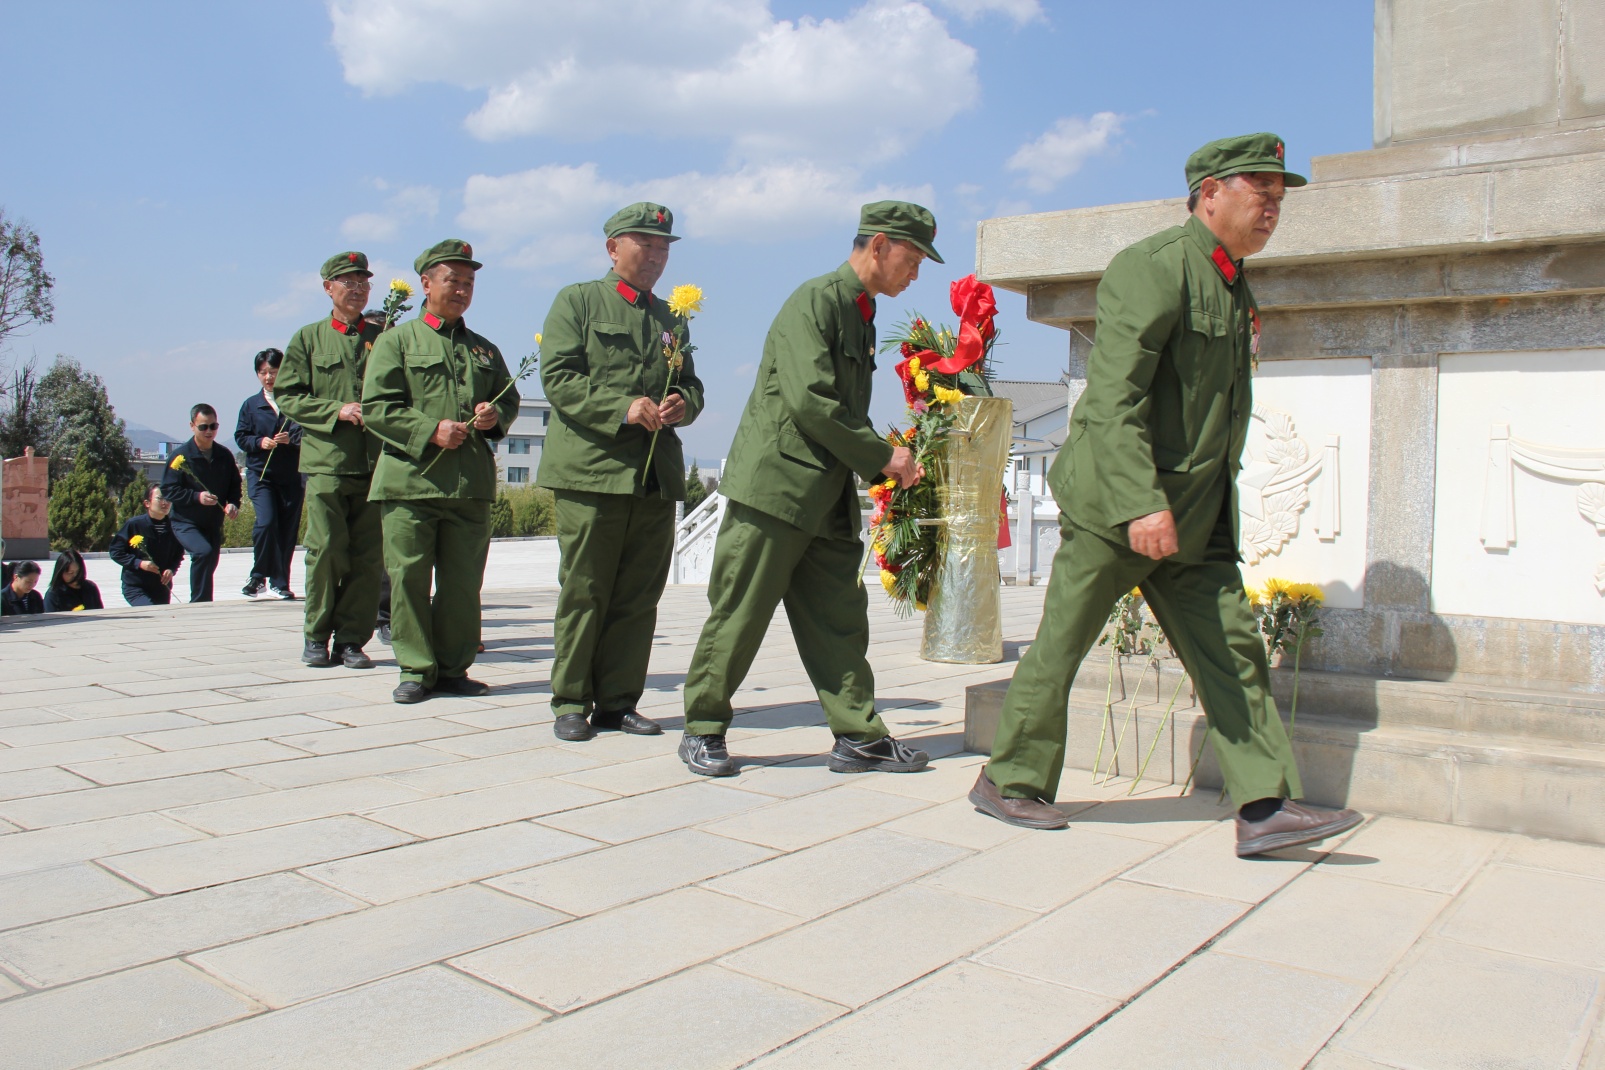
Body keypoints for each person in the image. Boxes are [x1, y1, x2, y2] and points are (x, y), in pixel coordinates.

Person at [970, 134, 1362, 858]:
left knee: (1232, 649)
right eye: (1260, 191)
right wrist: (1139, 502)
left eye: (1279, 196)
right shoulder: (1153, 268)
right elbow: (1113, 399)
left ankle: (1263, 806)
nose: (1273, 206)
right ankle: (1008, 780)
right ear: (1209, 193)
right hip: (1117, 507)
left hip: (1196, 517)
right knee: (1061, 645)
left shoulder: (1230, 282)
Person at [678, 201, 936, 777]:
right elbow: (810, 402)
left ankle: (859, 734)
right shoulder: (817, 300)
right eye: (913, 258)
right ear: (879, 245)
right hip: (776, 487)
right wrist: (882, 456)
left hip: (825, 494)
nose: (916, 273)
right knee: (741, 611)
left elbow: (843, 411)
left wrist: (883, 464)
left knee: (839, 618)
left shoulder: (860, 312)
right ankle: (703, 727)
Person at [538, 203, 706, 741]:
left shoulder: (672, 319)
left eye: (663, 248)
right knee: (585, 589)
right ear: (613, 248)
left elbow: (692, 385)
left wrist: (682, 402)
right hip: (592, 473)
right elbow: (559, 378)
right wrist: (623, 408)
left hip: (653, 476)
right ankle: (571, 701)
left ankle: (617, 701)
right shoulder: (579, 301)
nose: (656, 256)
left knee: (638, 596)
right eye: (645, 244)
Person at [364, 239, 518, 704]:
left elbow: (508, 399)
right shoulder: (396, 342)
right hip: (410, 484)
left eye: (469, 282)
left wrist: (494, 417)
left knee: (462, 585)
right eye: (453, 280)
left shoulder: (484, 351)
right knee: (409, 580)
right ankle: (415, 668)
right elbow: (376, 408)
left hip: (469, 486)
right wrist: (430, 430)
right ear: (426, 283)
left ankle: (453, 668)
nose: (462, 290)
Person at [276, 252, 385, 669]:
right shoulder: (309, 338)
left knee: (367, 558)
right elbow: (289, 395)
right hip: (328, 462)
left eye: (364, 283)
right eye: (348, 282)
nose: (358, 290)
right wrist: (335, 411)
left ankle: (352, 640)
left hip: (374, 463)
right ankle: (316, 634)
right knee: (325, 551)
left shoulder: (383, 336)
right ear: (328, 288)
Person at [236, 348, 306, 601]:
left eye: (273, 372)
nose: (268, 377)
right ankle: (258, 576)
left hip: (291, 477)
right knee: (266, 523)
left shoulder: (295, 402)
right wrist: (259, 442)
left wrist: (291, 439)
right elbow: (241, 437)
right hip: (261, 475)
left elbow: (307, 433)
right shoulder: (251, 405)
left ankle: (280, 582)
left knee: (287, 529)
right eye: (263, 372)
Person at [160, 404, 242, 603]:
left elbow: (234, 485)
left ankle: (203, 603)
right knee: (203, 553)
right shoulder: (180, 457)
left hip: (212, 523)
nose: (209, 431)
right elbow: (168, 490)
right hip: (185, 522)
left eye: (213, 426)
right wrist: (196, 497)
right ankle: (198, 603)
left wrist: (233, 504)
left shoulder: (224, 455)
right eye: (203, 427)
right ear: (192, 426)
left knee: (210, 562)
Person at [109, 484, 185, 605]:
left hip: (161, 586)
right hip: (136, 586)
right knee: (150, 611)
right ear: (147, 503)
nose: (165, 502)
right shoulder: (134, 524)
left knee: (160, 615)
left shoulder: (175, 526)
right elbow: (115, 551)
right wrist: (139, 563)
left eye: (168, 498)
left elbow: (179, 553)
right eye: (160, 498)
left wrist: (171, 569)